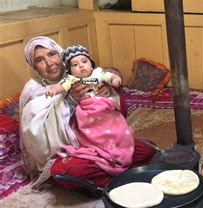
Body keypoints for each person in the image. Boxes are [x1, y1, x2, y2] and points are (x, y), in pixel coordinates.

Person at [20, 36, 156, 191]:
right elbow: (35, 136)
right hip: (73, 151)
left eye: (52, 54)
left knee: (147, 150)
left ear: (60, 54)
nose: (50, 63)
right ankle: (117, 180)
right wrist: (69, 101)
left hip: (100, 141)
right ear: (34, 67)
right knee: (66, 172)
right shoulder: (33, 91)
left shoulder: (79, 72)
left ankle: (107, 174)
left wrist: (109, 91)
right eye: (39, 60)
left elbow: (119, 112)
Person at [45, 45, 122, 97]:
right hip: (87, 107)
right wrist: (54, 91)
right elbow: (61, 86)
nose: (81, 66)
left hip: (103, 101)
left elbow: (110, 76)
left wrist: (115, 78)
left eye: (84, 61)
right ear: (70, 71)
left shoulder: (98, 73)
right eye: (75, 65)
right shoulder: (71, 79)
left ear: (91, 65)